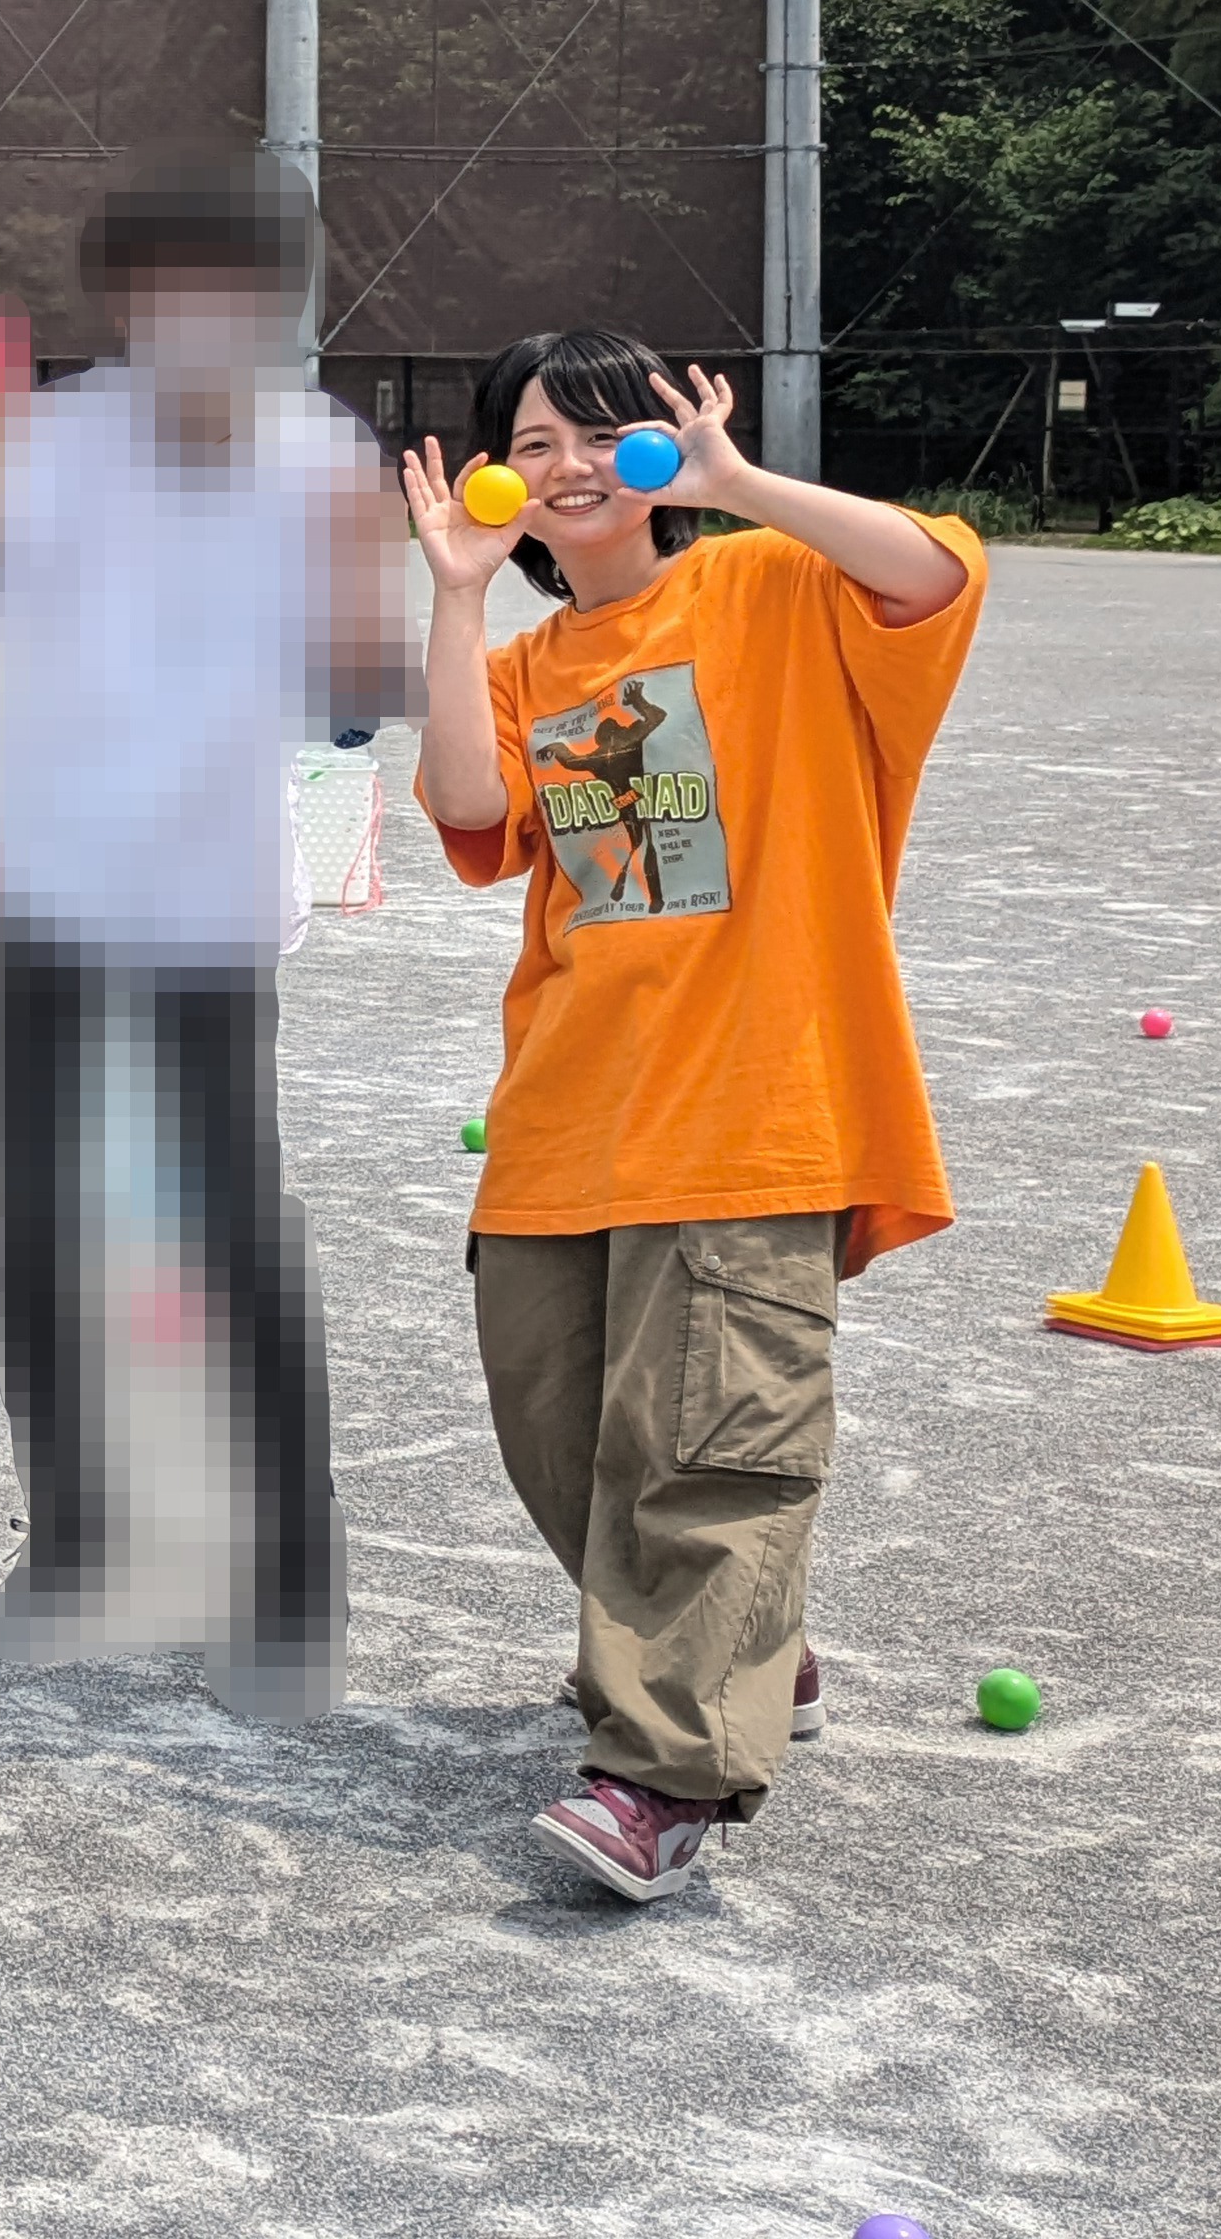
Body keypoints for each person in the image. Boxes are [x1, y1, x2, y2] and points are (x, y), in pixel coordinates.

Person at [402, 331, 979, 1904]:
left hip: (752, 1104)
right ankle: (742, 1640)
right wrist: (458, 594)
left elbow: (932, 574)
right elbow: (468, 811)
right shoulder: (527, 666)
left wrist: (745, 490)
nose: (575, 461)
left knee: (713, 1442)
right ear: (494, 470)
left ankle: (661, 1772)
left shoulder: (775, 595)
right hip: (567, 1114)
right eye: (537, 437)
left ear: (663, 449)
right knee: (567, 1440)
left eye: (608, 429)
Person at [0, 150, 403, 1715]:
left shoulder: (316, 457)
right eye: (168, 283)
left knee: (230, 1237)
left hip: (206, 910)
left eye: (234, 283)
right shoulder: (50, 445)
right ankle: (78, 1543)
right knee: (33, 1223)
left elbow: (351, 701)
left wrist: (350, 657)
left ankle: (288, 1588)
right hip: (43, 897)